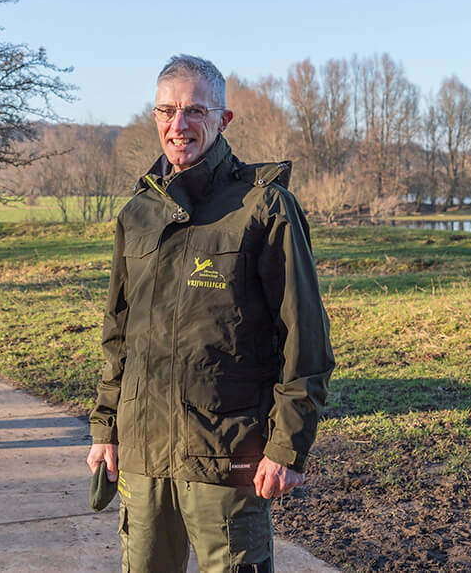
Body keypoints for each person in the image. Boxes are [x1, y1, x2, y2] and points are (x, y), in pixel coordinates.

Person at [86, 55, 334, 573]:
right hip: (142, 455)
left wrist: (287, 446)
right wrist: (106, 427)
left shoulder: (263, 208)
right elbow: (118, 334)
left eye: (195, 111)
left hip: (227, 457)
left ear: (223, 121)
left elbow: (303, 341)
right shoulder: (137, 214)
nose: (179, 126)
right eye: (167, 111)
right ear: (155, 117)